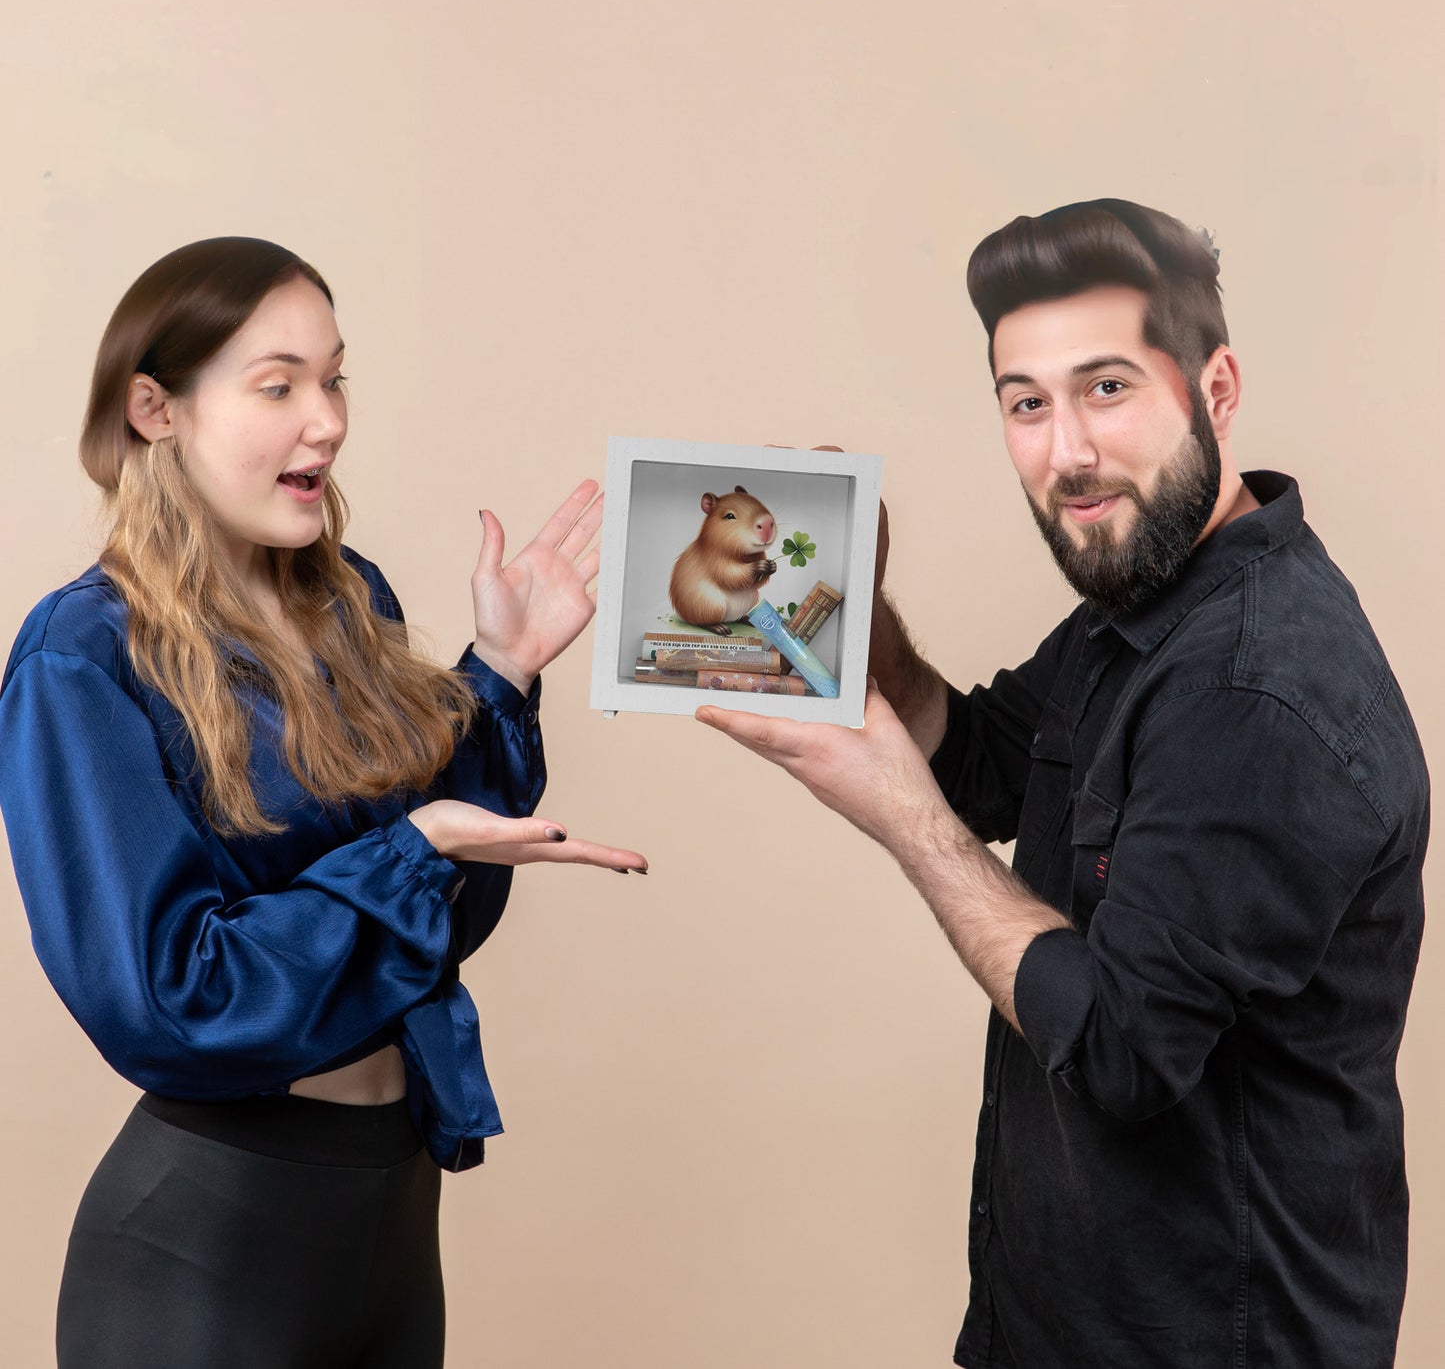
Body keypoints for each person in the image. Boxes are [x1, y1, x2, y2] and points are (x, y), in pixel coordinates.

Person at [698, 200, 1428, 1368]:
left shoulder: (1253, 690)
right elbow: (987, 756)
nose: (1065, 452)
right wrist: (855, 607)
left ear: (1216, 389)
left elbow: (1122, 1046)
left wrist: (903, 819)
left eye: (1105, 388)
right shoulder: (1146, 600)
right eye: (1026, 402)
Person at [0, 236, 647, 1369]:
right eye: (278, 384)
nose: (328, 419)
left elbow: (432, 925)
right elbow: (168, 997)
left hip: (389, 1224)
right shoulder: (81, 655)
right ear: (155, 408)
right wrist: (410, 849)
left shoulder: (354, 603)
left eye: (334, 377)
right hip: (199, 1252)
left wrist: (501, 671)